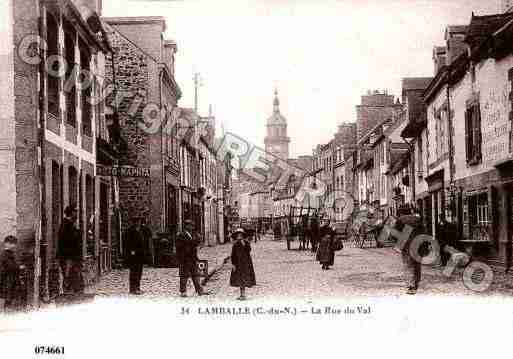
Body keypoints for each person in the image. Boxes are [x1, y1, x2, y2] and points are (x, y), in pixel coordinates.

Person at [394, 205, 425, 295]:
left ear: (401, 213)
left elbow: (395, 233)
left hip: (406, 245)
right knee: (417, 264)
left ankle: (411, 285)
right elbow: (423, 232)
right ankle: (417, 282)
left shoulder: (400, 220)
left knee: (408, 265)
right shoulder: (417, 219)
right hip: (418, 244)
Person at [176, 219, 208, 297]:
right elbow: (181, 246)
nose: (192, 227)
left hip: (193, 258)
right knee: (184, 275)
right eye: (190, 226)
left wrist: (197, 241)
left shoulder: (192, 234)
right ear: (186, 226)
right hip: (185, 258)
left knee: (195, 274)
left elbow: (194, 243)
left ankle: (199, 291)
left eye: (192, 226)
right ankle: (183, 292)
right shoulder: (181, 235)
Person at [57, 205, 84, 295]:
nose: (76, 214)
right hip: (68, 257)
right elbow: (70, 240)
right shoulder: (66, 224)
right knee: (69, 277)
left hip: (71, 257)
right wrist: (78, 231)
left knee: (73, 277)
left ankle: (72, 293)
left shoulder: (69, 224)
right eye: (75, 211)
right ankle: (69, 295)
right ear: (71, 213)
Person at [229, 228, 256, 300]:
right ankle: (241, 294)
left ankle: (243, 295)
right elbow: (233, 255)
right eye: (238, 235)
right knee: (239, 279)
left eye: (240, 235)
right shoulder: (235, 245)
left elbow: (249, 250)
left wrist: (244, 244)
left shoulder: (246, 243)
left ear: (243, 236)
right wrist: (233, 264)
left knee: (244, 279)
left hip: (245, 264)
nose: (239, 236)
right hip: (238, 264)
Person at [0, 236, 24, 312]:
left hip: (9, 277)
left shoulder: (8, 253)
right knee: (8, 295)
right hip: (7, 278)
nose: (14, 246)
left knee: (9, 295)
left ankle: (7, 309)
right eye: (13, 244)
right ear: (7, 244)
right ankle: (6, 310)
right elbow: (10, 266)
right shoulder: (5, 254)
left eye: (14, 244)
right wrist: (19, 267)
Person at [125, 217, 146, 295]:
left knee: (139, 272)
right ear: (134, 223)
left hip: (140, 255)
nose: (138, 223)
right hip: (134, 255)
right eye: (137, 222)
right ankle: (133, 288)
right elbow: (128, 243)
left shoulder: (139, 230)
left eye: (139, 222)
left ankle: (137, 287)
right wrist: (132, 252)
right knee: (134, 272)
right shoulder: (130, 231)